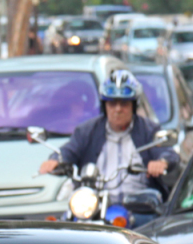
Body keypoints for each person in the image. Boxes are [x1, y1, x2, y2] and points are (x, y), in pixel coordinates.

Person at [38, 69, 178, 204]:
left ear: (134, 106)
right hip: (94, 204)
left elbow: (167, 152)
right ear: (104, 106)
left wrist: (162, 162)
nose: (118, 109)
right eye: (112, 103)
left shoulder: (148, 129)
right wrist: (56, 160)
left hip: (137, 207)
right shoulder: (87, 130)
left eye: (124, 104)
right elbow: (70, 149)